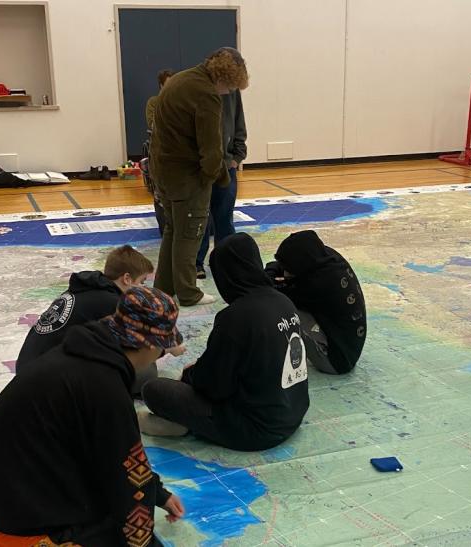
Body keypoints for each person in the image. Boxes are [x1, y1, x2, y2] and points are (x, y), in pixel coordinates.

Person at [0, 286, 186, 546]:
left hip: (4, 489)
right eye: (162, 348)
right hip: (21, 516)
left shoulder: (83, 353)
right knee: (122, 527)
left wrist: (159, 494)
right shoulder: (104, 387)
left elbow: (114, 458)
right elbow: (128, 480)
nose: (161, 354)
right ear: (149, 345)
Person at [139, 233, 310, 451]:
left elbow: (213, 387)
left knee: (154, 389)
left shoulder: (237, 316)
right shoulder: (283, 300)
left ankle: (184, 426)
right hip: (293, 412)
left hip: (256, 429)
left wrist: (191, 375)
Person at [150, 47, 249, 306]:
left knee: (173, 230)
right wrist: (219, 178)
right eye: (231, 87)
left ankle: (164, 287)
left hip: (164, 173)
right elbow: (211, 150)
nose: (229, 93)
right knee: (190, 233)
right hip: (186, 178)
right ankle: (188, 292)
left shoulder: (181, 79)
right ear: (225, 78)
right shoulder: (206, 95)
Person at [15, 245, 153, 376]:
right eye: (142, 282)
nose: (144, 288)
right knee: (145, 371)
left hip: (27, 365)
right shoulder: (111, 302)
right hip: (45, 377)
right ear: (127, 279)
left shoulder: (89, 287)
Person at [265, 230, 366, 374]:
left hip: (335, 361)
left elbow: (272, 291)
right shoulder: (326, 257)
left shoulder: (319, 283)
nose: (285, 273)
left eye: (289, 269)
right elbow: (279, 265)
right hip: (348, 348)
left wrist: (270, 274)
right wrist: (277, 270)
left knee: (277, 305)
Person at [195, 89, 247, 279]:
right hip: (200, 167)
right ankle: (196, 262)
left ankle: (224, 260)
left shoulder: (233, 91)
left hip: (227, 166)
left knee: (225, 217)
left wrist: (237, 156)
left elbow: (238, 120)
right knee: (200, 217)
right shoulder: (198, 88)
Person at [145, 69, 175, 235]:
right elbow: (153, 124)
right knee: (161, 194)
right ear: (161, 86)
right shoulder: (154, 102)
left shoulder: (182, 102)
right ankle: (165, 224)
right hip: (161, 153)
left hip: (179, 155)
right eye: (168, 85)